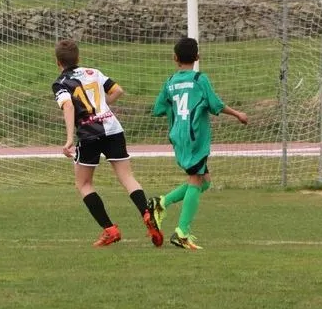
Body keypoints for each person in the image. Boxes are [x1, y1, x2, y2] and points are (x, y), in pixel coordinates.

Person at [51, 39, 162, 247]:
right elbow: (118, 91)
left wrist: (68, 140)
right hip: (113, 129)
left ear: (58, 62)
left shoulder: (60, 83)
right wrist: (101, 106)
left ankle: (110, 230)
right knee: (127, 177)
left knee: (83, 184)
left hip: (88, 134)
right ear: (79, 58)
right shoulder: (94, 72)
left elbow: (68, 106)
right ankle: (146, 214)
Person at [150, 37, 248, 250]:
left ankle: (161, 203)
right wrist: (237, 114)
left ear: (175, 58)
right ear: (197, 57)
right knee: (195, 180)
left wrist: (174, 107)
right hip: (195, 137)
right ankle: (182, 232)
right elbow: (215, 104)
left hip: (178, 136)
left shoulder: (170, 82)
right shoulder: (199, 79)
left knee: (204, 182)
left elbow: (158, 109)